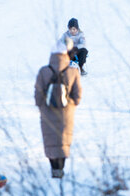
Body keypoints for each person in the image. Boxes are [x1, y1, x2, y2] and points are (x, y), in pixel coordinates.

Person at [34, 37, 83, 179]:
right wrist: (72, 104)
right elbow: (78, 94)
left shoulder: (43, 71)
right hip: (66, 112)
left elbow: (38, 94)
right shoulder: (73, 71)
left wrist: (42, 106)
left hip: (47, 112)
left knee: (50, 140)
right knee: (63, 140)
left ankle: (53, 170)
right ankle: (61, 170)